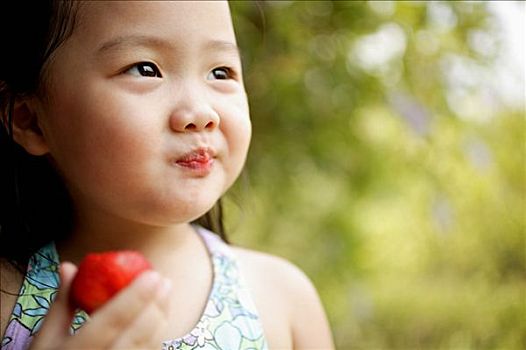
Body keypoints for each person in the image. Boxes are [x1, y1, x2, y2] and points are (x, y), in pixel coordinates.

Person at [0, 1, 334, 349]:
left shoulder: (282, 300)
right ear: (31, 120)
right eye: (144, 69)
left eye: (221, 72)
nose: (202, 113)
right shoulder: (6, 300)